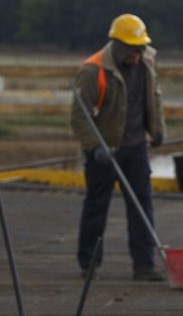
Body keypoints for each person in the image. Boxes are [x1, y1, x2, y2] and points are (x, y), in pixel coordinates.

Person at [71, 14, 165, 281]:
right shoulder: (92, 71)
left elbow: (155, 98)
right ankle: (88, 263)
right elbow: (79, 117)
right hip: (104, 150)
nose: (137, 54)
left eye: (140, 49)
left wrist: (158, 130)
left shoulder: (147, 61)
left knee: (141, 205)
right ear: (118, 45)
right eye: (132, 50)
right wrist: (94, 147)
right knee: (96, 205)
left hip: (136, 147)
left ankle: (144, 264)